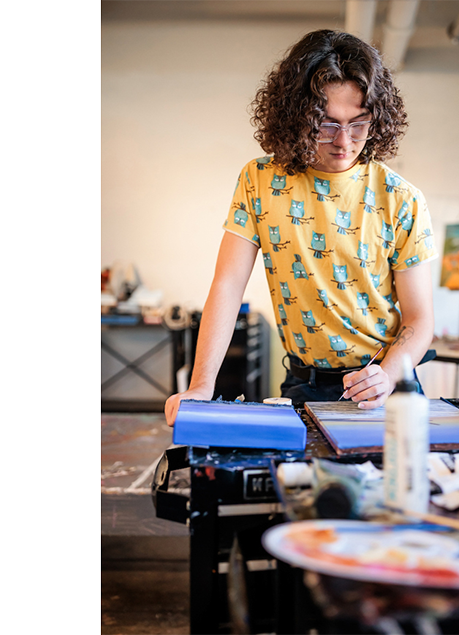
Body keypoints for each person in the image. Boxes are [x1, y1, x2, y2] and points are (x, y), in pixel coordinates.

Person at [165, 29, 436, 425]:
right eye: (327, 125)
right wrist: (201, 386)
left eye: (359, 123)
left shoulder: (402, 199)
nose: (344, 141)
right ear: (298, 118)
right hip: (302, 383)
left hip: (382, 386)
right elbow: (227, 286)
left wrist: (389, 374)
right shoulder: (259, 179)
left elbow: (419, 319)